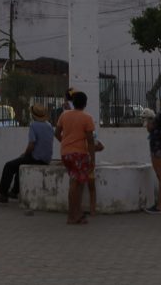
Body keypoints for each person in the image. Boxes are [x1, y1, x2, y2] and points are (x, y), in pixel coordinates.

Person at [0, 103, 54, 202]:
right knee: (20, 164)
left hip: (36, 158)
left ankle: (3, 194)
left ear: (33, 115)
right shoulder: (49, 125)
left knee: (9, 166)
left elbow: (31, 145)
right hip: (46, 159)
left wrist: (25, 154)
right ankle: (14, 192)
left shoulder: (34, 125)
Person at [55, 90, 95, 225]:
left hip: (65, 153)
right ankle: (72, 216)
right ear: (85, 104)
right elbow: (90, 142)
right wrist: (93, 160)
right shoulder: (87, 118)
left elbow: (57, 133)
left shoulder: (64, 116)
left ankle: (76, 214)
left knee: (76, 183)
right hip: (79, 154)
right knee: (75, 184)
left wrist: (65, 143)